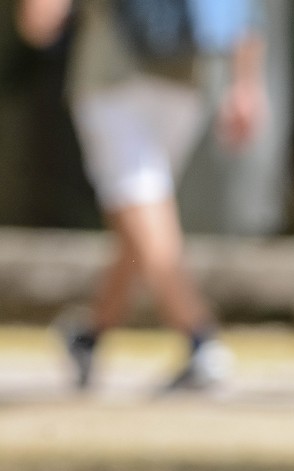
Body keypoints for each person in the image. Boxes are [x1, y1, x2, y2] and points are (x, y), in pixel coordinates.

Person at [16, 0, 267, 393]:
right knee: (140, 223)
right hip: (186, 84)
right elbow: (242, 11)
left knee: (143, 209)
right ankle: (90, 335)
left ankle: (200, 340)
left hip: (111, 81)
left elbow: (39, 21)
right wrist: (246, 83)